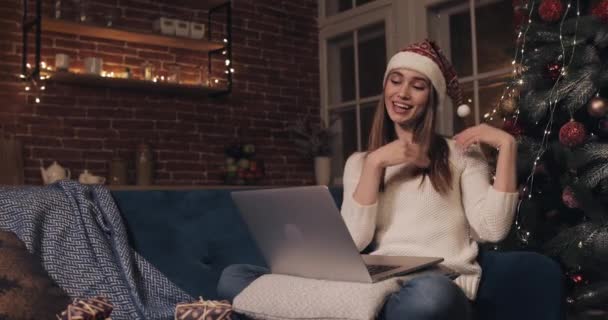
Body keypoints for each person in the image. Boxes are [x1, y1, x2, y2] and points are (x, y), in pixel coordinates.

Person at [217, 39, 519, 320]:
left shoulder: (461, 154)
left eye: (417, 86)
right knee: (235, 276)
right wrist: (375, 164)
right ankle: (367, 308)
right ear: (385, 86)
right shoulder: (360, 162)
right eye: (395, 80)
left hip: (437, 278)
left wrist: (507, 147)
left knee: (430, 297)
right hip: (377, 279)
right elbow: (356, 240)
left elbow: (492, 229)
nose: (402, 94)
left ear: (432, 98)